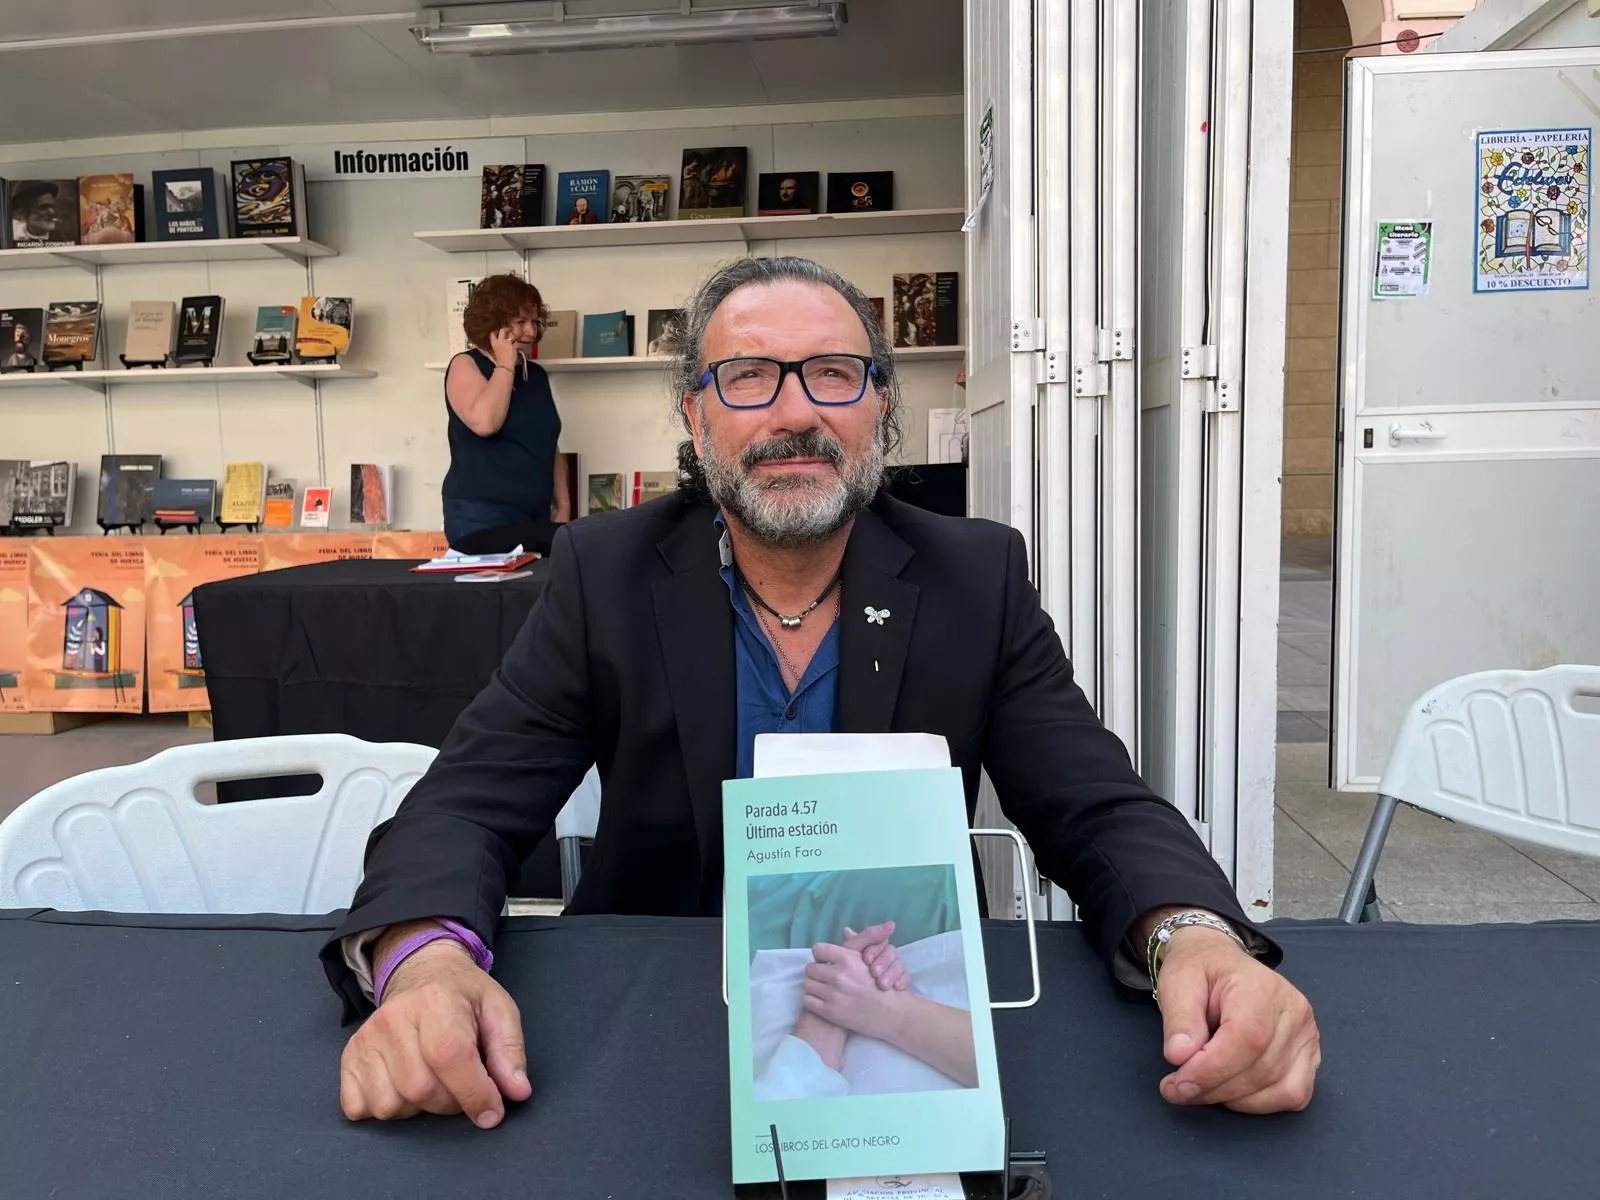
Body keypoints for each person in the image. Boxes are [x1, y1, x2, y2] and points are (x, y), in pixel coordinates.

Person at [326, 256, 1321, 1130]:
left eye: (833, 375)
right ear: (695, 411)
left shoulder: (975, 578)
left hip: (907, 1030)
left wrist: (1194, 935)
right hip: (658, 1018)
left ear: (878, 403)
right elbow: (465, 799)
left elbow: (1091, 801)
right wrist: (425, 961)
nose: (794, 413)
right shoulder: (605, 572)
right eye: (749, 376)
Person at [440, 274, 570, 551]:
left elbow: (548, 440)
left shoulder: (536, 375)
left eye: (534, 322)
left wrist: (563, 505)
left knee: (537, 592)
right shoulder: (466, 364)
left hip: (536, 517)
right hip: (480, 517)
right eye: (520, 322)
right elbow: (486, 422)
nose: (531, 332)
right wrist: (505, 364)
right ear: (494, 324)